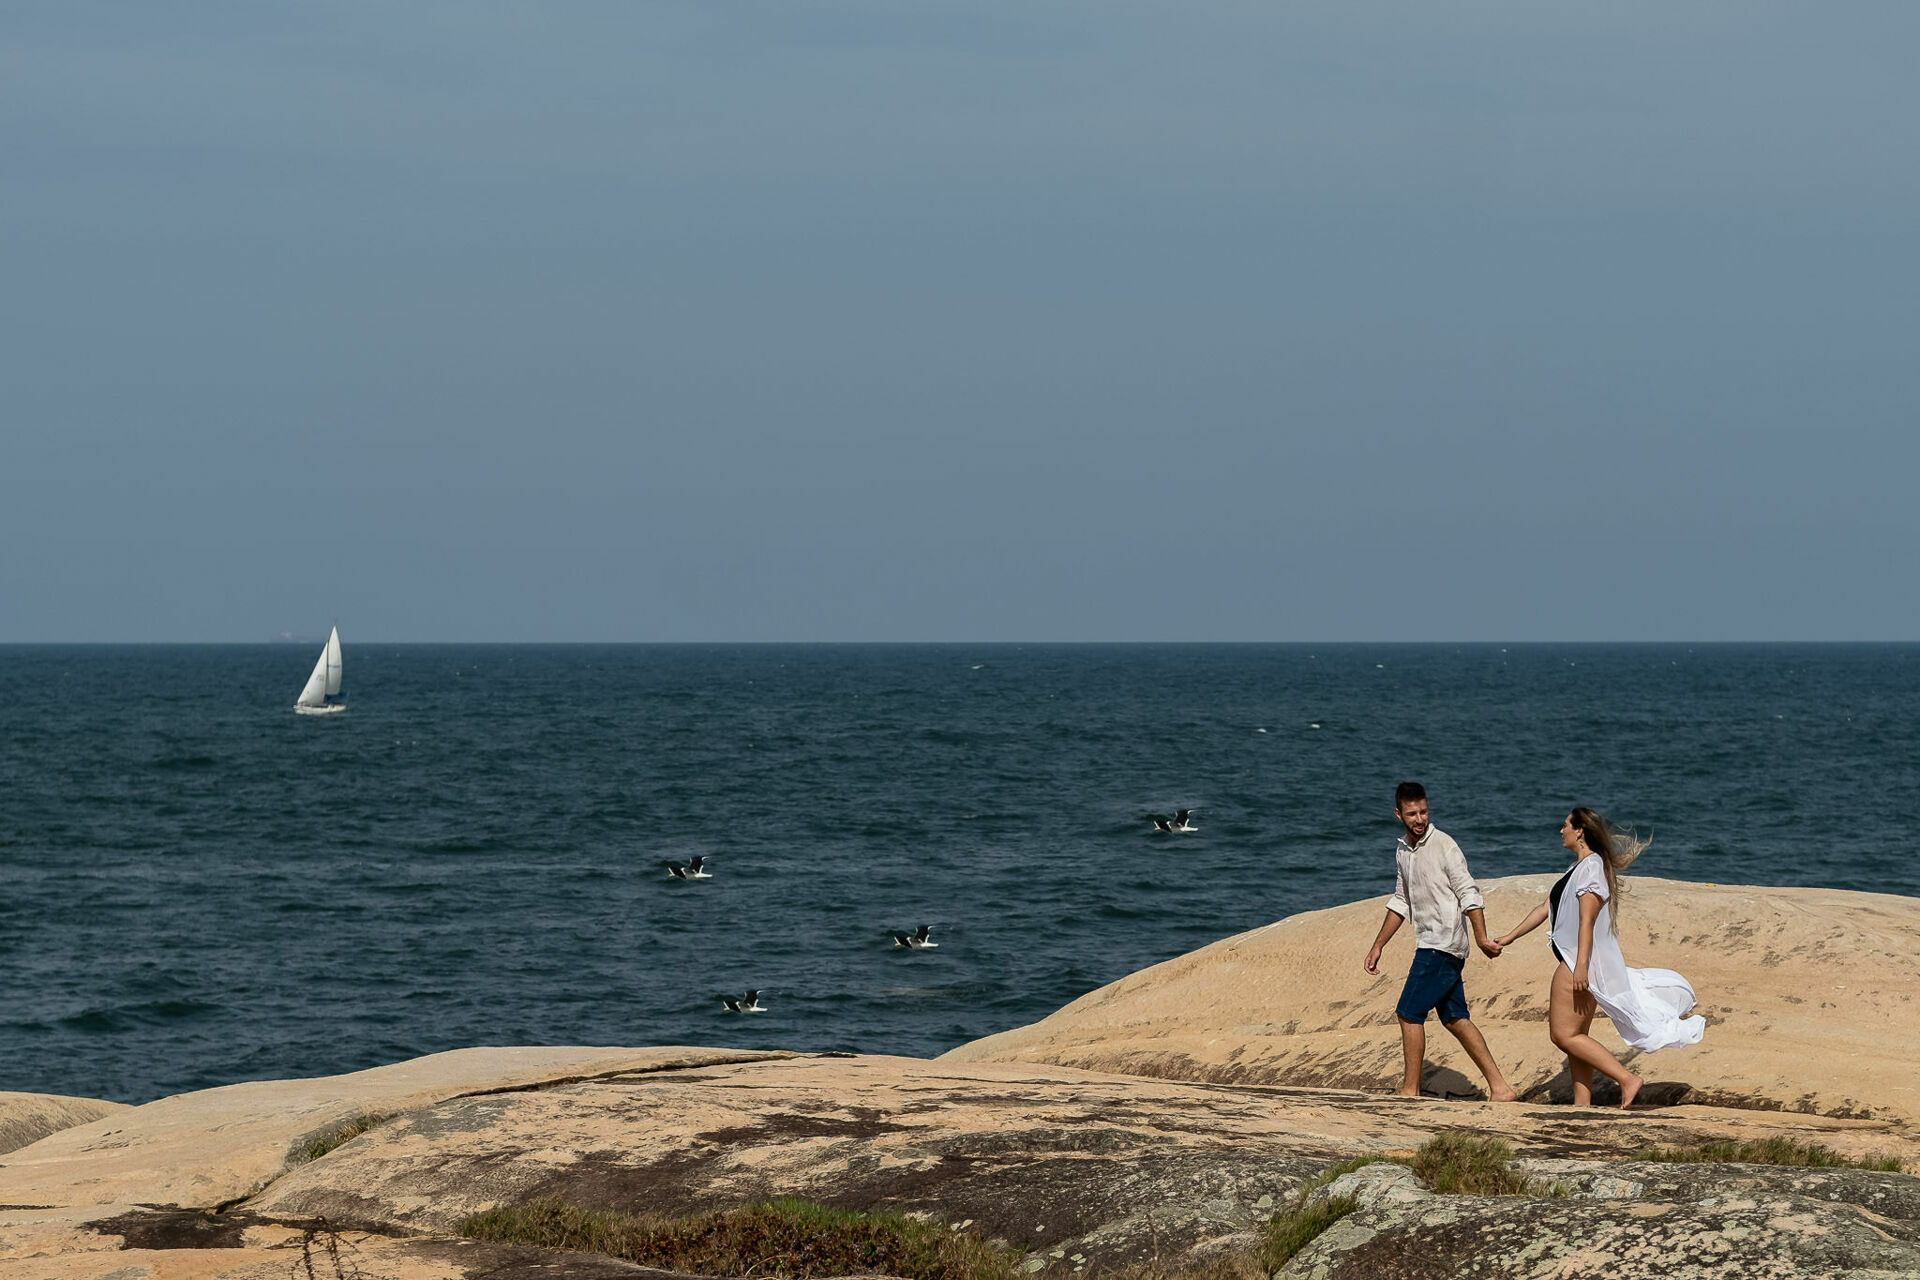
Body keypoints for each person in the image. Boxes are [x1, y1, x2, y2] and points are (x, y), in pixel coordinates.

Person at [1493, 807, 1706, 1108]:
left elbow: (1587, 921)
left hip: (1577, 963)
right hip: (1578, 961)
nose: (1561, 831)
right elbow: (1545, 908)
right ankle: (1582, 1105)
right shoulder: (1577, 868)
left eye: (1565, 825)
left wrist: (1581, 967)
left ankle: (1627, 1079)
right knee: (1576, 1036)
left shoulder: (1591, 868)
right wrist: (1509, 937)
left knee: (1562, 1036)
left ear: (1580, 830)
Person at [1363, 782, 1517, 1101]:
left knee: (1408, 1013)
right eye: (1412, 814)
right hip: (1432, 943)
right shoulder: (1403, 851)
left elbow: (1469, 893)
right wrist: (1378, 945)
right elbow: (1401, 900)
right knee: (1455, 1018)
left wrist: (1481, 937)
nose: (1419, 819)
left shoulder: (1444, 845)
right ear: (1398, 814)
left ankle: (1410, 1090)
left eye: (1423, 811)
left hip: (1441, 945)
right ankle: (1501, 1088)